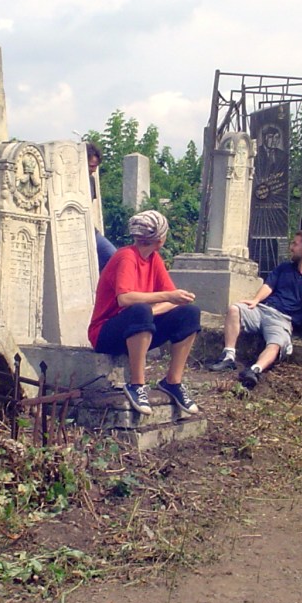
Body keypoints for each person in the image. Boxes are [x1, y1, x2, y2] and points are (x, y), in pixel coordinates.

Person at [88, 209, 201, 416]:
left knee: (189, 313)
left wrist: (168, 300)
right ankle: (137, 384)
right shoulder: (126, 257)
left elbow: (172, 300)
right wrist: (166, 298)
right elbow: (126, 298)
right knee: (140, 310)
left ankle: (172, 382)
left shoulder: (154, 259)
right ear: (161, 239)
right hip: (106, 333)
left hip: (137, 326)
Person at [208, 230, 302, 389]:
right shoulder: (284, 267)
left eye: (295, 244)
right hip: (263, 309)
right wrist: (255, 300)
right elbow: (268, 286)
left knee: (276, 343)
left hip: (283, 319)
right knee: (234, 309)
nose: (291, 247)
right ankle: (228, 357)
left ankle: (254, 370)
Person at [86, 142, 117, 271]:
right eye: (91, 166)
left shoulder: (91, 180)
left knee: (113, 256)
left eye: (96, 166)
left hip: (89, 229)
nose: (94, 170)